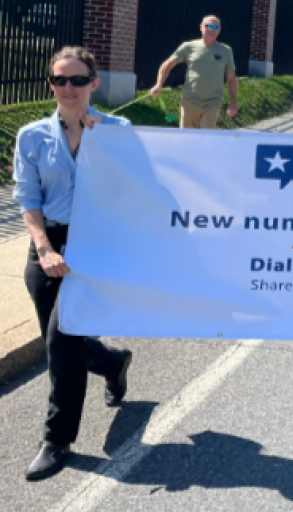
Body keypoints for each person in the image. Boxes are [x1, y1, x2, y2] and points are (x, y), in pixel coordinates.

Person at [13, 46, 134, 482]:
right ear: (51, 83)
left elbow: (136, 190)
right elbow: (28, 199)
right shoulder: (31, 135)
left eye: (78, 79)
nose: (68, 88)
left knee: (62, 339)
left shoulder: (117, 129)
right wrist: (43, 248)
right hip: (48, 244)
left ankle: (56, 438)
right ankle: (110, 361)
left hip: (95, 245)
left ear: (94, 83)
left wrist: (106, 146)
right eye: (59, 79)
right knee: (62, 338)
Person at [150, 15, 238, 129]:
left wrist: (234, 102)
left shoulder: (226, 51)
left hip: (212, 103)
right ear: (201, 27)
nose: (211, 29)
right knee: (187, 139)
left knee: (206, 138)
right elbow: (167, 65)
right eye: (208, 26)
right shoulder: (188, 47)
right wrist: (159, 84)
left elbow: (231, 78)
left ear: (219, 30)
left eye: (215, 27)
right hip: (189, 102)